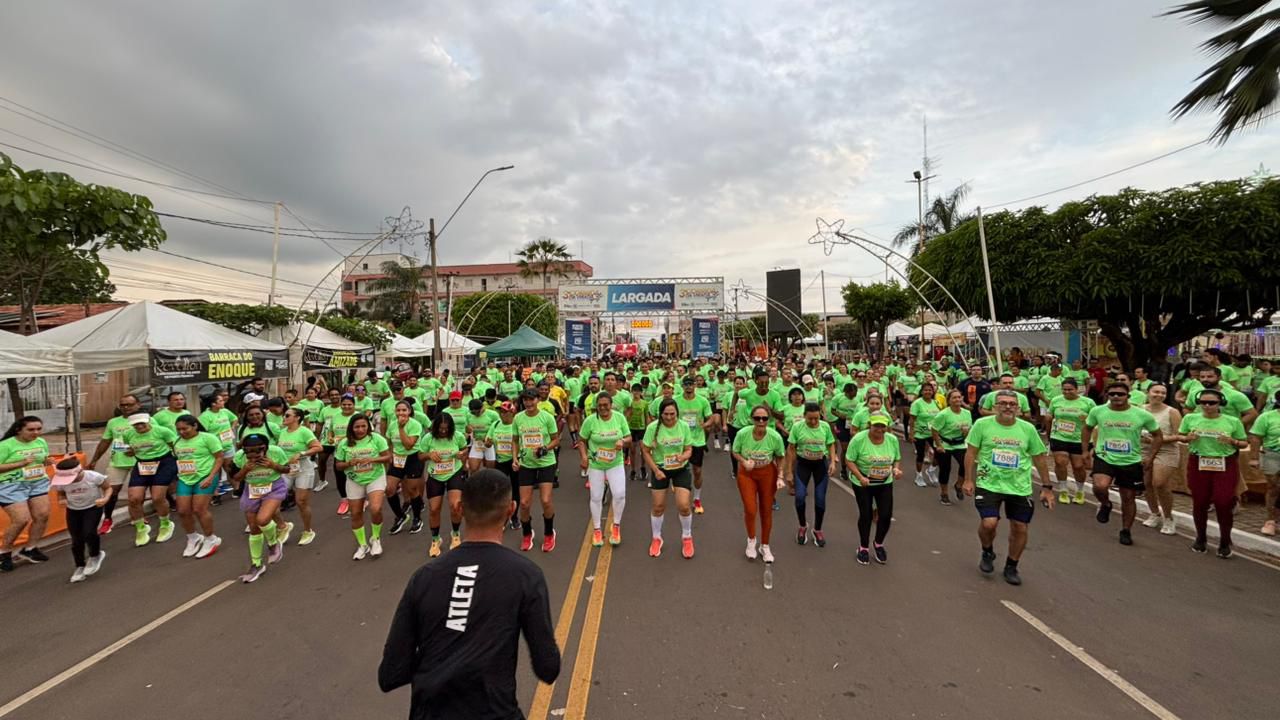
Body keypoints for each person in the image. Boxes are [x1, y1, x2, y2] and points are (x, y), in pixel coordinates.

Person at [378, 469, 560, 720]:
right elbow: (548, 667)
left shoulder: (425, 577)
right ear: (511, 509)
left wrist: (447, 654)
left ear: (460, 509)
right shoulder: (525, 575)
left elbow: (390, 674)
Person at [962, 389, 1054, 586]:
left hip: (1019, 487)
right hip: (989, 483)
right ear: (995, 406)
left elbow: (1038, 457)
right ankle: (987, 551)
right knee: (989, 523)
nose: (1007, 407)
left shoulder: (1027, 429)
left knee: (1020, 527)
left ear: (1018, 408)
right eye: (1003, 403)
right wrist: (968, 479)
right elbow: (971, 453)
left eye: (1012, 404)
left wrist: (1047, 486)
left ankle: (1012, 565)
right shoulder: (982, 424)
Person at [1174, 388, 1249, 558]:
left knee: (1223, 502)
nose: (1207, 406)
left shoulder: (1232, 421)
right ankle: (1201, 538)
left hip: (1224, 463)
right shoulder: (1190, 418)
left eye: (1212, 403)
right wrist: (1187, 438)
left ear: (1220, 403)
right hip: (1199, 462)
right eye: (1203, 403)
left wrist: (1232, 441)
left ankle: (1225, 540)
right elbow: (1181, 436)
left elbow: (1244, 443)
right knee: (1200, 502)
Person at [1085, 382, 1161, 546]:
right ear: (1107, 395)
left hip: (1130, 460)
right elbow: (1087, 428)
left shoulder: (1141, 414)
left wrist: (1150, 457)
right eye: (1112, 394)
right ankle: (1105, 504)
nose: (1116, 397)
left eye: (1121, 394)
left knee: (1128, 497)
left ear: (1128, 396)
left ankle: (1126, 530)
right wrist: (1085, 450)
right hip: (1104, 456)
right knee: (1099, 487)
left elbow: (1158, 436)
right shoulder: (1098, 411)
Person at [231, 433, 290, 582]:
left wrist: (273, 465)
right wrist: (245, 469)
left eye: (258, 451)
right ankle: (256, 564)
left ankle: (273, 544)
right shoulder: (239, 457)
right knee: (253, 528)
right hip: (252, 489)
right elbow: (235, 477)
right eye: (249, 452)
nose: (253, 455)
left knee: (262, 520)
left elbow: (287, 469)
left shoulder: (276, 452)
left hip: (273, 488)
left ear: (265, 448)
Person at [333, 414, 392, 561]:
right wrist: (348, 464)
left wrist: (372, 459)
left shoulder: (377, 439)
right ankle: (362, 545)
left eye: (363, 426)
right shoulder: (344, 443)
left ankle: (376, 538)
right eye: (357, 427)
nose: (360, 430)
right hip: (354, 479)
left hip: (375, 477)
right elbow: (338, 465)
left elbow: (387, 457)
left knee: (375, 508)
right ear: (351, 428)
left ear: (368, 426)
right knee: (356, 513)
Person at [845, 413, 902, 565]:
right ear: (870, 425)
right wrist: (860, 476)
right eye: (876, 425)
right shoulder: (859, 439)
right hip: (863, 482)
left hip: (884, 482)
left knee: (885, 515)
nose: (879, 429)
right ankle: (863, 547)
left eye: (882, 426)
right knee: (866, 515)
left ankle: (878, 544)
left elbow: (896, 458)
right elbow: (849, 459)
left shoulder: (892, 440)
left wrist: (896, 469)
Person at [643, 398, 695, 559]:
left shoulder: (683, 426)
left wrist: (683, 456)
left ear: (677, 413)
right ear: (661, 414)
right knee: (658, 506)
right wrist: (655, 470)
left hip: (680, 469)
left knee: (684, 505)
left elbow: (688, 449)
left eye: (672, 414)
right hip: (661, 470)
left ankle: (687, 536)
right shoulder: (653, 428)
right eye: (666, 414)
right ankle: (656, 538)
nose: (669, 417)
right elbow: (645, 450)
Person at [732, 404, 785, 562]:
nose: (761, 421)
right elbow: (735, 451)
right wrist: (743, 461)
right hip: (747, 474)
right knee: (750, 509)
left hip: (767, 473)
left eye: (764, 418)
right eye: (757, 418)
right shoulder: (743, 433)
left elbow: (780, 456)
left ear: (768, 420)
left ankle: (765, 545)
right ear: (752, 419)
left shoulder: (774, 436)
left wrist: (780, 476)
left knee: (766, 510)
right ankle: (751, 541)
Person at [578, 391, 630, 547]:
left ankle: (616, 526)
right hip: (596, 464)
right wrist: (584, 457)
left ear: (611, 404)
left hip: (615, 462)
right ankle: (597, 529)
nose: (603, 408)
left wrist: (622, 441)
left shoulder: (619, 418)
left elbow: (629, 438)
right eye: (599, 405)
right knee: (596, 496)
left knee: (619, 494)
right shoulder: (590, 421)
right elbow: (582, 440)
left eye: (605, 405)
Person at [512, 389, 560, 553]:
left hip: (546, 462)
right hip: (526, 464)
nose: (528, 403)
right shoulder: (518, 418)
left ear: (538, 400)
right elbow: (515, 440)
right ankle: (527, 533)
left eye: (531, 400)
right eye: (525, 400)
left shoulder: (546, 418)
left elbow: (556, 440)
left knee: (545, 500)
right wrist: (515, 458)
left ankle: (548, 533)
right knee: (524, 503)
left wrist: (545, 448)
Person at [785, 402, 838, 547]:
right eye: (810, 419)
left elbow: (831, 444)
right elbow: (790, 449)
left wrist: (833, 461)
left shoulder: (825, 426)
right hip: (803, 464)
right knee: (800, 497)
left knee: (820, 499)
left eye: (816, 418)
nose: (814, 422)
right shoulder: (797, 427)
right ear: (804, 416)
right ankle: (802, 526)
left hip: (820, 464)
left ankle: (817, 529)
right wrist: (788, 471)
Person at [122, 413, 178, 547]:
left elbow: (175, 445)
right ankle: (141, 528)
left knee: (157, 497)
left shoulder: (162, 431)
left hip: (164, 462)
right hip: (142, 464)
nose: (140, 426)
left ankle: (165, 524)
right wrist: (129, 450)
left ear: (148, 421)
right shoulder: (128, 434)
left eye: (142, 423)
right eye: (136, 424)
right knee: (134, 498)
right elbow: (125, 450)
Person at [172, 415, 224, 559]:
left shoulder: (208, 438)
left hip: (205, 477)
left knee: (199, 509)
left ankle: (211, 539)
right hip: (185, 478)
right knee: (182, 511)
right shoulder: (177, 441)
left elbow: (219, 457)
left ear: (195, 426)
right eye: (178, 429)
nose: (182, 432)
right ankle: (193, 537)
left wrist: (211, 477)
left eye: (185, 428)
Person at [51, 457, 111, 582]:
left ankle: (95, 555)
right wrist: (62, 500)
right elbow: (61, 493)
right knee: (76, 539)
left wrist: (105, 499)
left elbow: (108, 488)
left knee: (89, 532)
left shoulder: (93, 476)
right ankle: (79, 566)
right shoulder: (61, 482)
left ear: (79, 472)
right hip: (73, 510)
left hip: (92, 507)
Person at [417, 412, 469, 557]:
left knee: (455, 505)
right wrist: (429, 455)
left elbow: (465, 448)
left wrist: (461, 454)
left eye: (446, 428)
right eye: (441, 428)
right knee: (434, 509)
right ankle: (435, 540)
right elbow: (420, 455)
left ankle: (456, 534)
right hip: (435, 475)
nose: (443, 431)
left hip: (454, 472)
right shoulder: (428, 438)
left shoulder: (457, 436)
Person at [88, 394, 141, 534]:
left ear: (138, 405)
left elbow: (154, 440)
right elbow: (105, 441)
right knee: (111, 491)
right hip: (118, 461)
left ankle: (138, 517)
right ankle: (108, 519)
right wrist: (94, 460)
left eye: (129, 404)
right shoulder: (113, 422)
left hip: (140, 461)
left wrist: (136, 450)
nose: (126, 407)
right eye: (123, 405)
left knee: (136, 493)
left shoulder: (148, 420)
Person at [1045, 379, 1095, 506]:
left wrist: (1094, 442)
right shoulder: (1056, 401)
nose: (1067, 392)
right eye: (1064, 389)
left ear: (1077, 389)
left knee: (1078, 466)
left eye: (1070, 389)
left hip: (1080, 439)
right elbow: (1049, 417)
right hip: (1059, 436)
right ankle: (1063, 490)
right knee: (1060, 462)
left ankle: (1080, 491)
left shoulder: (1087, 403)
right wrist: (1049, 434)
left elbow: (1095, 422)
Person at [1141, 384, 1181, 535]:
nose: (1159, 395)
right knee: (1146, 484)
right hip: (1144, 449)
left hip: (1166, 449)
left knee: (1159, 483)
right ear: (1148, 393)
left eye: (1163, 393)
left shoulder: (1172, 412)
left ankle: (1169, 517)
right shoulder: (1140, 409)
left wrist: (1158, 440)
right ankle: (1154, 513)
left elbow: (1179, 435)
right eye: (1156, 392)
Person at [278, 408, 323, 545]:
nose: (284, 418)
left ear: (297, 418)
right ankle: (283, 526)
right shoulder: (282, 432)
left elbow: (318, 447)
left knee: (301, 501)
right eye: (284, 415)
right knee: (275, 500)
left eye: (287, 415)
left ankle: (307, 531)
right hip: (286, 469)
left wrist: (302, 453)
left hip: (303, 469)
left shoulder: (304, 431)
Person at [675, 376, 714, 514]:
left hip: (697, 440)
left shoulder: (702, 401)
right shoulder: (676, 400)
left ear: (695, 386)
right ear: (682, 386)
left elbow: (711, 418)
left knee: (697, 471)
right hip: (680, 441)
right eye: (686, 384)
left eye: (691, 384)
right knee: (680, 470)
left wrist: (706, 424)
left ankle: (697, 499)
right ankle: (682, 496)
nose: (689, 387)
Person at [930, 389, 972, 504]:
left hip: (959, 443)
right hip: (945, 444)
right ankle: (944, 493)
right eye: (954, 398)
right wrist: (938, 445)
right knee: (945, 469)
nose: (957, 399)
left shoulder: (967, 413)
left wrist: (965, 432)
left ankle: (958, 485)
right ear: (949, 400)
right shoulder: (943, 414)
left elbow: (968, 431)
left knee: (965, 464)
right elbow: (934, 430)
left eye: (959, 397)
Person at [1248, 391, 1280, 536]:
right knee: (1273, 487)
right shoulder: (1267, 417)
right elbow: (1255, 437)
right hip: (1272, 455)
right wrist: (1253, 458)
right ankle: (1270, 520)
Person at [909, 381, 940, 490]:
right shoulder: (917, 403)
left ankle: (931, 470)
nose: (928, 392)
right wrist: (911, 433)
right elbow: (912, 419)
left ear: (933, 391)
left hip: (933, 433)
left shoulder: (936, 403)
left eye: (930, 390)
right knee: (921, 456)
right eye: (925, 390)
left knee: (939, 453)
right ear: (921, 392)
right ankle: (919, 476)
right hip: (920, 433)